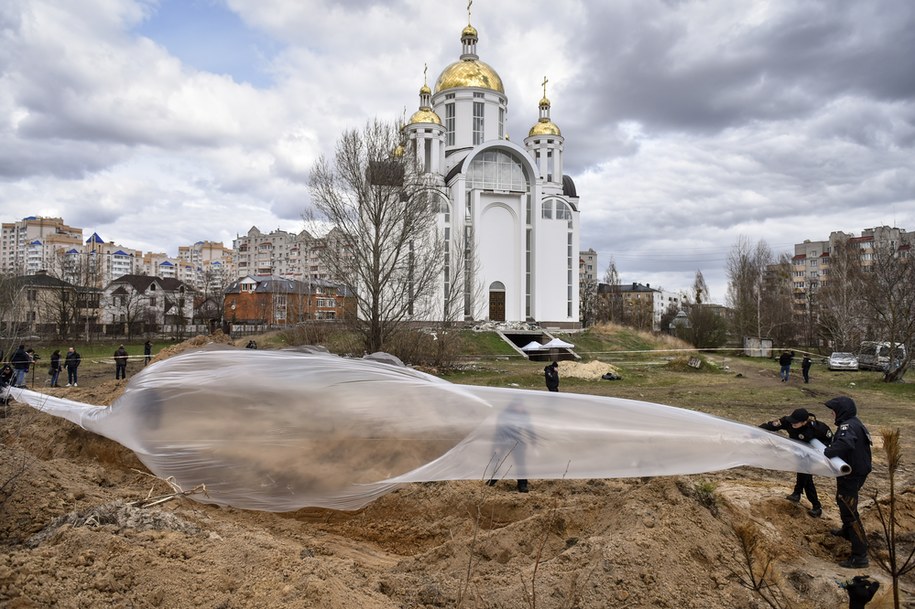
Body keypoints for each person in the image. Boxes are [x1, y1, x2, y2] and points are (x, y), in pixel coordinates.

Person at [823, 396, 872, 569]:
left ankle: (860, 555)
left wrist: (828, 452)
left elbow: (845, 443)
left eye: (834, 411)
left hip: (852, 474)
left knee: (849, 512)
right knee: (842, 501)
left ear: (841, 412)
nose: (831, 413)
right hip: (856, 471)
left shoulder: (847, 426)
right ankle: (847, 532)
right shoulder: (854, 422)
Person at [759, 407, 832, 517]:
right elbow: (771, 426)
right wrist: (755, 430)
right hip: (798, 452)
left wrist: (819, 453)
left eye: (796, 423)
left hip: (811, 455)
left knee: (806, 477)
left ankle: (816, 506)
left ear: (804, 422)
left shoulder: (817, 428)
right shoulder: (788, 421)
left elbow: (829, 440)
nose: (793, 424)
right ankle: (797, 494)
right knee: (802, 472)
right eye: (792, 421)